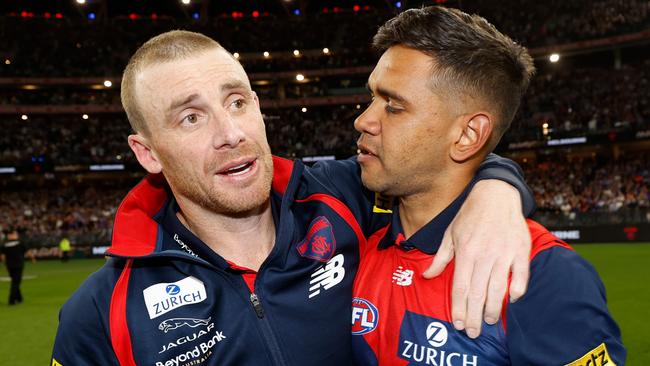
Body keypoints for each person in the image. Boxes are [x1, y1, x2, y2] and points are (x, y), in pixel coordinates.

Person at [51, 30, 534, 365]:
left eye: (237, 102)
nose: (230, 133)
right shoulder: (100, 313)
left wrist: (496, 185)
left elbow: (433, 160)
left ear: (259, 108)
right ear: (148, 153)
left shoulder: (342, 195)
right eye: (190, 118)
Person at [351, 6, 626, 365]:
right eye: (372, 97)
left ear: (468, 135)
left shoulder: (543, 276)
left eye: (394, 106)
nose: (362, 120)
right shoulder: (353, 231)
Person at [1, 229, 26, 305]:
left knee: (15, 281)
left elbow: (2, 256)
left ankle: (19, 298)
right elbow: (25, 251)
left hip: (9, 265)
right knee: (16, 282)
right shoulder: (20, 243)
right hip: (18, 265)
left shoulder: (4, 244)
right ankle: (11, 300)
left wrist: (4, 263)